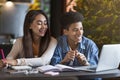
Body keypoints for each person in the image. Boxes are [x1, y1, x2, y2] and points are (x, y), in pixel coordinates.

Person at [50, 11, 101, 80]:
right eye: (75, 30)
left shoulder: (90, 45)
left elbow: (97, 74)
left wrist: (86, 63)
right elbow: (51, 70)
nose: (80, 33)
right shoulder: (56, 44)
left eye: (81, 29)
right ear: (65, 31)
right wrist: (64, 61)